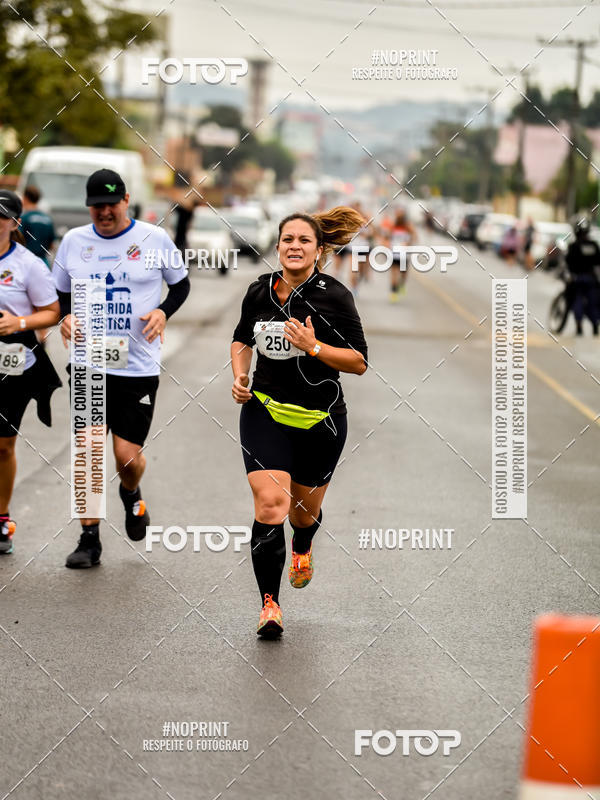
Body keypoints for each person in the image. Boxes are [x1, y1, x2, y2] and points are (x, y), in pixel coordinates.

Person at [231, 206, 368, 638]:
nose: (294, 246)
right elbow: (240, 338)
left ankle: (303, 543)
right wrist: (239, 373)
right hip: (265, 409)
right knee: (271, 504)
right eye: (288, 239)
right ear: (277, 247)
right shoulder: (258, 293)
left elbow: (359, 362)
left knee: (302, 513)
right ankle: (269, 606)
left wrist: (313, 347)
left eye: (304, 240)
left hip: (321, 420)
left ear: (318, 249)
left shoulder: (335, 296)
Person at [52, 168, 191, 568]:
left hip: (137, 367)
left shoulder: (154, 239)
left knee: (126, 458)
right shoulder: (74, 242)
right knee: (89, 451)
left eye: (111, 204)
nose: (104, 212)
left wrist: (163, 312)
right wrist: (65, 317)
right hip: (87, 363)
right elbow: (59, 292)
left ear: (126, 200)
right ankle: (89, 539)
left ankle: (132, 495)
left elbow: (180, 285)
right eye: (96, 206)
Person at [0, 190, 61, 555]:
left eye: (3, 217)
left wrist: (18, 322)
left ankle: (2, 517)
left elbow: (52, 311)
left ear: (15, 223)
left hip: (14, 364)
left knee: (3, 445)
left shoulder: (28, 264)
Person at [565, 218, 600, 336]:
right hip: (591, 279)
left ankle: (579, 325)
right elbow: (597, 262)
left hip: (578, 279)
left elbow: (568, 262)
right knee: (593, 302)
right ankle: (595, 326)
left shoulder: (574, 245)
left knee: (577, 300)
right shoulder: (593, 245)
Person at [20, 185, 56, 267]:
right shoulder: (47, 219)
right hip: (43, 263)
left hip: (26, 262)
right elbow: (52, 245)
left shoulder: (24, 218)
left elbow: (18, 240)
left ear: (25, 198)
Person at [386, 209, 416, 302]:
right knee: (400, 274)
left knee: (397, 274)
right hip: (400, 255)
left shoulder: (398, 229)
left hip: (397, 254)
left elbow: (386, 239)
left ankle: (394, 291)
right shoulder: (404, 229)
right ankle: (395, 290)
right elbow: (413, 239)